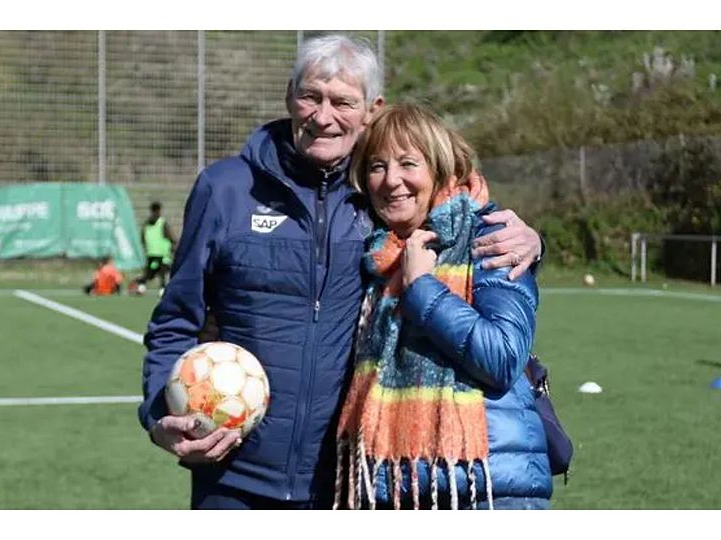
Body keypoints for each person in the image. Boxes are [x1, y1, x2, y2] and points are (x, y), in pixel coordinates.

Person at [138, 34, 544, 510]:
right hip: (232, 475)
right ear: (290, 95)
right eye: (311, 96)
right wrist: (159, 415)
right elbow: (174, 319)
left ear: (372, 109)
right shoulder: (225, 188)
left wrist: (532, 242)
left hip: (345, 484)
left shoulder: (382, 200)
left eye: (342, 102)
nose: (323, 116)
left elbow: (459, 215)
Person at [333, 103, 550, 510]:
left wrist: (421, 288)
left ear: (440, 169)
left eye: (407, 163)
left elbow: (502, 356)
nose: (391, 180)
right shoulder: (377, 254)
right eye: (377, 166)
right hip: (394, 488)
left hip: (483, 489)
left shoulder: (491, 237)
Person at [131, 201, 177, 295]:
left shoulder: (147, 224)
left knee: (159, 271)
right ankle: (157, 288)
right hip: (161, 253)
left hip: (152, 253)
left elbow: (143, 238)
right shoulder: (162, 223)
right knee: (155, 272)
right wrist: (174, 245)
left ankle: (144, 286)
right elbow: (171, 236)